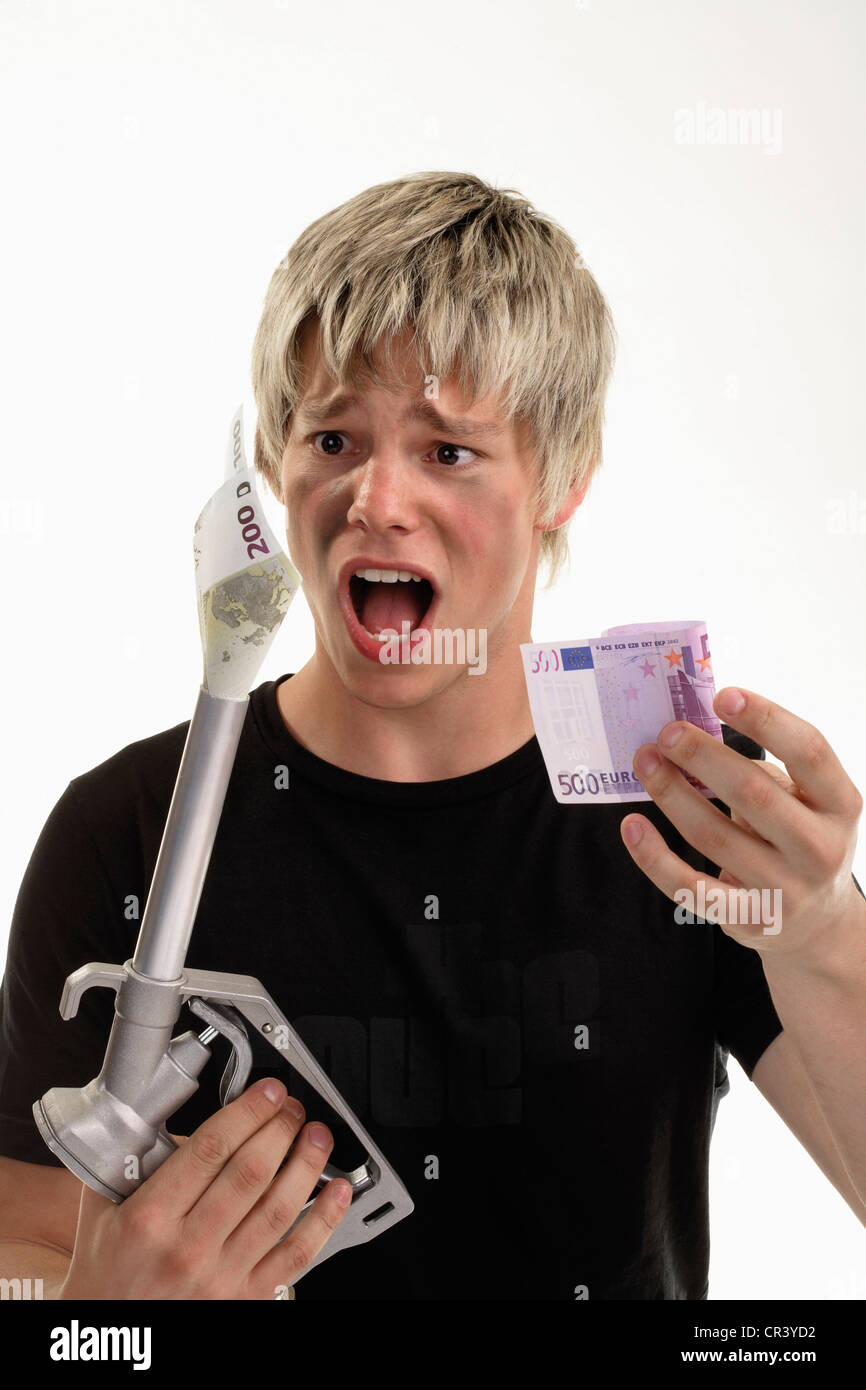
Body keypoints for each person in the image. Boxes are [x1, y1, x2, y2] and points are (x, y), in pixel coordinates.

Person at [1, 171, 864, 1302]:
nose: (375, 498)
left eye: (447, 450)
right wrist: (104, 1315)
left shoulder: (689, 815)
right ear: (275, 462)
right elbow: (31, 1259)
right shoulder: (126, 831)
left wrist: (818, 934)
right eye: (332, 438)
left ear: (559, 478)